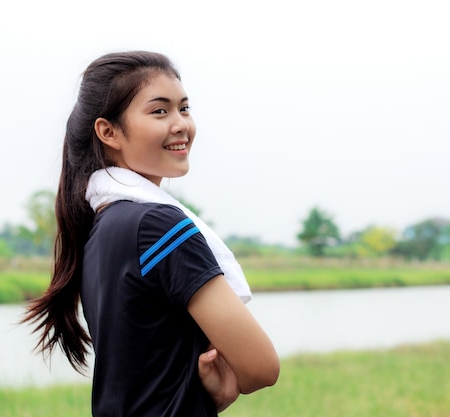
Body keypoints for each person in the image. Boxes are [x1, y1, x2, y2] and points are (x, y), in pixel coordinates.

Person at [22, 51, 279, 416]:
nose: (180, 125)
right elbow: (261, 367)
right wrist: (221, 385)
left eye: (184, 109)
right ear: (108, 132)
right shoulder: (158, 228)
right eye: (160, 111)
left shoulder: (104, 227)